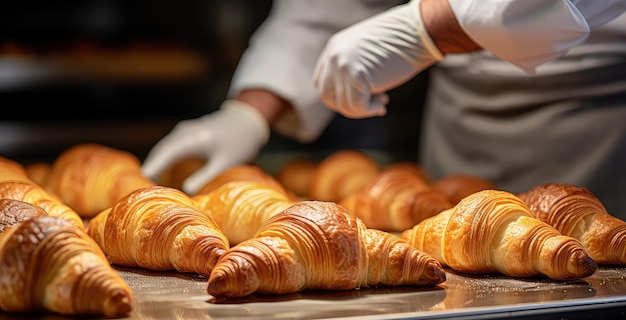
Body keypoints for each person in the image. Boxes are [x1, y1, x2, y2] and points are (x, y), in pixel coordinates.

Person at [141, 0, 626, 219]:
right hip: (461, 126)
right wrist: (248, 112)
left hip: (605, 115)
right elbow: (328, 8)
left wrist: (428, 28)